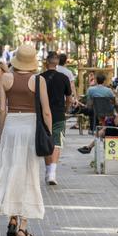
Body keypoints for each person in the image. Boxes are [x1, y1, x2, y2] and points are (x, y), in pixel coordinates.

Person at [0, 42, 51, 236]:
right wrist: (49, 134)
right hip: (31, 126)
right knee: (28, 173)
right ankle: (23, 227)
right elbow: (46, 111)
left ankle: (11, 218)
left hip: (11, 126)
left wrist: (2, 132)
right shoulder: (38, 80)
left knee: (9, 170)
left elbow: (2, 109)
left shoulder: (6, 78)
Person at [40, 53, 74, 186]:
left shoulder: (39, 78)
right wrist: (66, 109)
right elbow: (69, 98)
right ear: (58, 62)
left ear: (46, 62)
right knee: (57, 142)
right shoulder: (64, 77)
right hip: (59, 114)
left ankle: (48, 171)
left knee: (46, 141)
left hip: (43, 114)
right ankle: (52, 173)